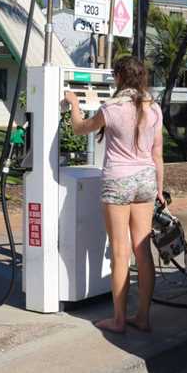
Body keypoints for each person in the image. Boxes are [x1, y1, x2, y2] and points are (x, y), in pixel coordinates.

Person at [63, 56, 164, 334]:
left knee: (120, 251)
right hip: (146, 181)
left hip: (118, 180)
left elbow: (79, 127)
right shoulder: (154, 108)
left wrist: (73, 104)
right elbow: (157, 153)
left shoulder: (112, 107)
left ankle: (119, 320)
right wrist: (160, 189)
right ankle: (142, 317)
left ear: (120, 77)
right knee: (142, 250)